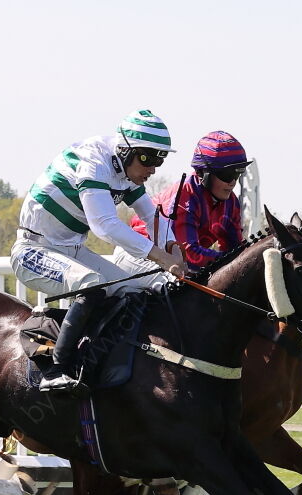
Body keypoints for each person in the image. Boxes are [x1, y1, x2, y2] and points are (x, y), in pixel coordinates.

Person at [10, 109, 186, 394]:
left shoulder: (125, 170)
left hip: (71, 249)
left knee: (131, 291)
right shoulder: (93, 161)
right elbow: (104, 225)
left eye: (159, 159)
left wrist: (173, 249)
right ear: (125, 150)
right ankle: (56, 370)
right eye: (147, 158)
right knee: (92, 285)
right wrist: (159, 256)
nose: (153, 168)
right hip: (33, 250)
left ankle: (97, 358)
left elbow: (151, 216)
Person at [129, 130, 252, 272]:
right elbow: (188, 255)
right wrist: (236, 260)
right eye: (227, 174)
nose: (233, 182)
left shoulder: (231, 203)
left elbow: (236, 251)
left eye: (237, 174)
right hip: (139, 257)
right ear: (203, 173)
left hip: (170, 262)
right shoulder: (185, 196)